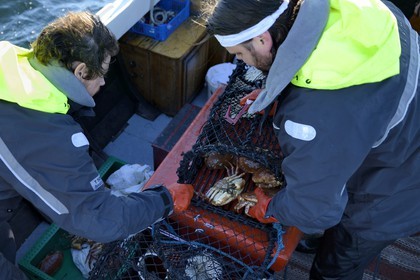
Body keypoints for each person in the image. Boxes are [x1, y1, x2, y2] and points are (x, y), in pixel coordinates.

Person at [196, 0, 420, 279]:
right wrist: (276, 88)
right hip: (406, 133)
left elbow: (315, 209)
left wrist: (270, 207)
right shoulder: (357, 9)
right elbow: (342, 75)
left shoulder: (311, 117)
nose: (240, 61)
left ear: (263, 38)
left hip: (396, 191)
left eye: (240, 54)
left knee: (338, 264)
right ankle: (323, 241)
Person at [0, 11, 193, 278]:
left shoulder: (9, 63)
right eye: (101, 74)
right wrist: (165, 199)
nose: (103, 82)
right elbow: (100, 220)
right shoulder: (48, 135)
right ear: (80, 71)